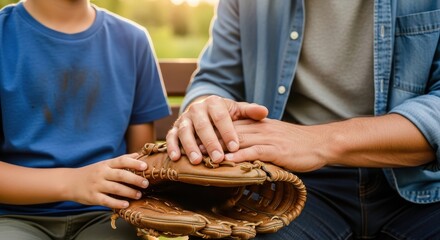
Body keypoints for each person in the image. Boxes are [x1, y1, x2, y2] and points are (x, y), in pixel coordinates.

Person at [166, 0, 440, 239]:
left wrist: (319, 141)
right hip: (287, 186)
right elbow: (215, 80)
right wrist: (204, 108)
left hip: (427, 186)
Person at [0, 0, 170, 239]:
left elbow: (140, 165)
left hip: (108, 215)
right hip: (13, 218)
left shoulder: (133, 40)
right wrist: (74, 182)